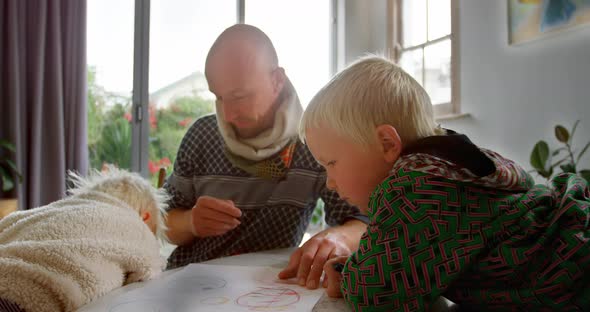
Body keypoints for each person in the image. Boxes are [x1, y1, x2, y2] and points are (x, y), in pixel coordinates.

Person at [299, 55, 590, 311]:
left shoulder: (412, 188)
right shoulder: (452, 166)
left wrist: (345, 273)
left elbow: (381, 295)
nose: (331, 183)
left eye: (331, 164)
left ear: (387, 143)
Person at [163, 24, 368, 290]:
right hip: (189, 285)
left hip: (264, 290)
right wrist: (191, 222)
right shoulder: (201, 135)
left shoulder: (312, 142)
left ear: (277, 80)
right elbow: (163, 223)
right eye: (219, 97)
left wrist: (337, 238)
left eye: (239, 96)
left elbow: (361, 221)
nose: (227, 114)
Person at [0, 167, 168, 312]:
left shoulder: (49, 211)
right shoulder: (136, 227)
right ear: (145, 217)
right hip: (27, 297)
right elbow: (149, 272)